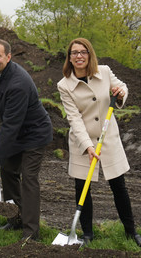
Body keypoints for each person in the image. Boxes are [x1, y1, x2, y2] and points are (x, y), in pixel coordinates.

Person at [57, 38, 141, 246]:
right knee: (81, 186)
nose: (78, 56)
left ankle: (131, 232)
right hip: (82, 141)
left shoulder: (103, 71)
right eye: (74, 53)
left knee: (118, 186)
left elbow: (121, 86)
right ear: (69, 57)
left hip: (108, 138)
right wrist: (87, 146)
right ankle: (87, 234)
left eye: (83, 52)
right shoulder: (64, 85)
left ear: (89, 54)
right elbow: (74, 119)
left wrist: (121, 93)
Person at [0, 39, 53, 240]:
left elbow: (10, 127)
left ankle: (31, 232)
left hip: (34, 134)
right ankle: (16, 219)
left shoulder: (18, 83)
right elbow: (0, 91)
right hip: (19, 132)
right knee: (8, 171)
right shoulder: (2, 73)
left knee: (29, 179)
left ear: (8, 57)